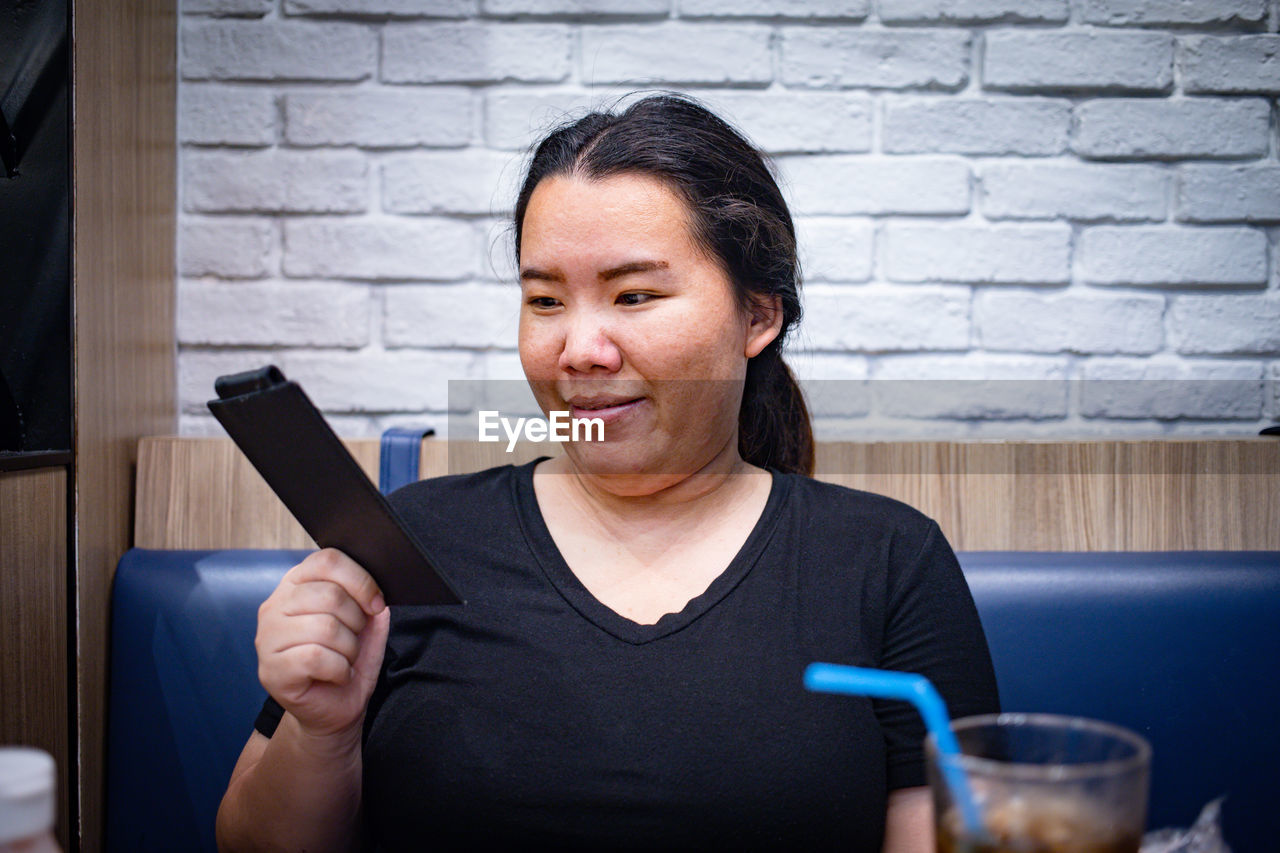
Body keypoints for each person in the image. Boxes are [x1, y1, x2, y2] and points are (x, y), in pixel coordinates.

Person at [215, 94, 999, 852]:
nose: (580, 348)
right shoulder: (413, 542)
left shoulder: (886, 560)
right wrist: (323, 731)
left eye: (633, 294)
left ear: (758, 315)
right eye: (547, 300)